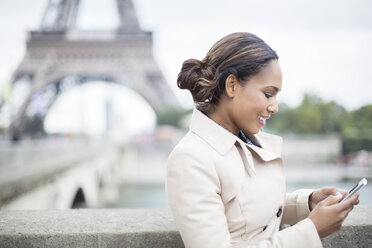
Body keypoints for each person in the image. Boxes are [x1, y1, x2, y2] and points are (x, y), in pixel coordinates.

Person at [166, 32, 359, 248]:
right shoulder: (189, 159)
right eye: (268, 94)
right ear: (232, 85)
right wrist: (311, 230)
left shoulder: (249, 141)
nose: (274, 107)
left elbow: (251, 207)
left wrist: (308, 202)